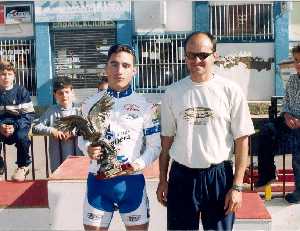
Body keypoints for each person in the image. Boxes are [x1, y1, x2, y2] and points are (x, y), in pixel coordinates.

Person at [156, 32, 255, 231]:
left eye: (203, 55)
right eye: (191, 55)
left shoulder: (230, 90)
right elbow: (166, 141)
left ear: (214, 56)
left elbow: (242, 141)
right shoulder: (173, 92)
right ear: (185, 57)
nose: (197, 60)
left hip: (219, 178)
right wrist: (162, 180)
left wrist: (237, 186)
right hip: (182, 177)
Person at [78, 44, 160, 231]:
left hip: (131, 182)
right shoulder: (89, 104)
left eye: (125, 65)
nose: (119, 70)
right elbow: (82, 139)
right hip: (98, 183)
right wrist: (87, 148)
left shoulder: (147, 105)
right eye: (114, 64)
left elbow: (155, 147)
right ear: (106, 68)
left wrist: (136, 165)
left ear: (134, 70)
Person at [255, 44, 300, 203]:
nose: (298, 64)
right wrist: (287, 115)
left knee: (297, 151)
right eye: (296, 60)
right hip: (289, 120)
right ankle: (267, 176)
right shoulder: (293, 79)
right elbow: (286, 101)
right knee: (266, 130)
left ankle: (299, 191)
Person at [32, 77, 83, 172]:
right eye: (60, 93)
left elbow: (89, 128)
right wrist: (52, 131)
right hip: (57, 157)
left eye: (67, 92)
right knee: (58, 182)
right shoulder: (51, 111)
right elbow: (36, 127)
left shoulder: (80, 110)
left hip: (78, 155)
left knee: (78, 181)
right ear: (55, 95)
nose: (64, 96)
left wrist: (73, 132)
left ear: (72, 92)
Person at [0, 60, 35, 181]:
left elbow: (29, 115)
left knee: (22, 137)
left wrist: (15, 126)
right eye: (3, 74)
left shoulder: (21, 91)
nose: (6, 77)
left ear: (14, 76)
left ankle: (23, 166)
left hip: (18, 125)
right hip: (1, 126)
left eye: (9, 74)